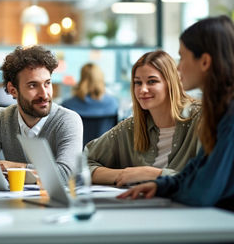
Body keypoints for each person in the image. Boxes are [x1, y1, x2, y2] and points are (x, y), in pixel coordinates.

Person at [118, 15, 234, 209]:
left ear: (205, 61)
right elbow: (193, 173)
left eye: (182, 57)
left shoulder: (229, 117)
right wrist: (159, 185)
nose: (178, 67)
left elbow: (203, 193)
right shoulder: (218, 111)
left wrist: (162, 183)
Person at [86, 50, 201, 186]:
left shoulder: (200, 119)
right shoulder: (131, 127)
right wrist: (124, 175)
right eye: (138, 83)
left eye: (152, 81)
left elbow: (208, 178)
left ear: (171, 83)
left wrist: (151, 174)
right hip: (141, 204)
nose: (143, 90)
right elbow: (82, 163)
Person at [0, 45, 83, 183]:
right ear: (13, 90)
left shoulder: (67, 120)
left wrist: (14, 168)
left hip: (55, 203)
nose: (44, 94)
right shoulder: (2, 118)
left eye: (47, 83)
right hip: (12, 202)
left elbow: (67, 174)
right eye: (33, 85)